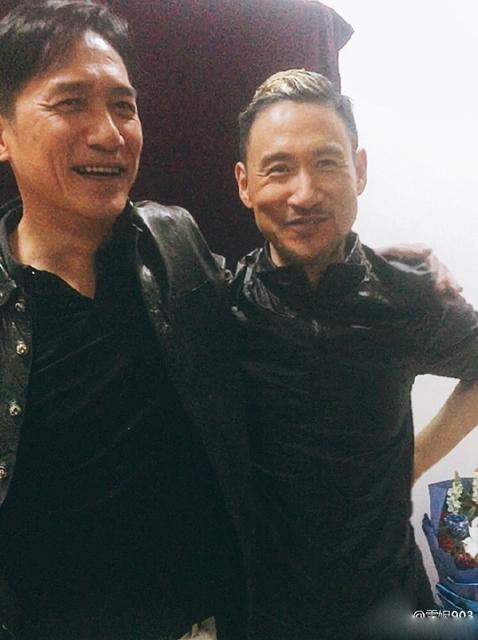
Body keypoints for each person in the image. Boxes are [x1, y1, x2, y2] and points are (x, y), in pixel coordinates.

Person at [0, 2, 252, 639]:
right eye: (71, 102)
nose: (110, 134)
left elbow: (274, 309)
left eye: (123, 105)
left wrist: (352, 260)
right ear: (3, 133)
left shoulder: (175, 245)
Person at [232, 69, 478, 639]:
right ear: (244, 184)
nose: (304, 193)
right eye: (278, 169)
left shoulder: (408, 294)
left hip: (390, 601)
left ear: (359, 170)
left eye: (326, 162)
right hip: (265, 612)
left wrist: (416, 458)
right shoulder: (218, 304)